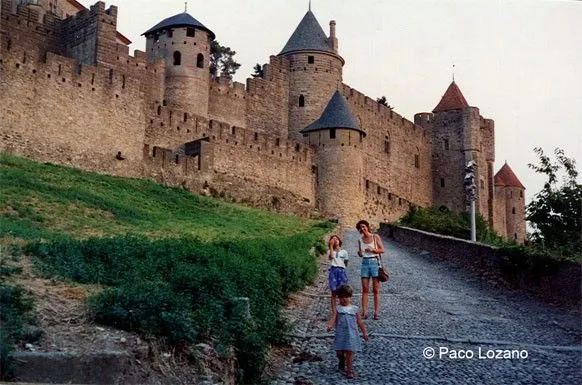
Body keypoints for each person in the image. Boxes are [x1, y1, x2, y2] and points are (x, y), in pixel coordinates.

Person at [326, 284, 369, 379]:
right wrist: (330, 325)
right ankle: (341, 360)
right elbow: (333, 318)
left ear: (350, 297)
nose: (344, 299)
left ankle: (349, 370)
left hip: (352, 334)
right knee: (339, 353)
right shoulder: (338, 308)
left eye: (346, 297)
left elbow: (360, 322)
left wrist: (364, 332)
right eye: (341, 297)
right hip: (340, 334)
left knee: (349, 352)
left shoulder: (354, 309)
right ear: (339, 298)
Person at [356, 219, 385, 320]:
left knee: (376, 289)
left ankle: (376, 313)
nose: (362, 228)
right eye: (360, 228)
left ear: (367, 227)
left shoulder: (375, 237)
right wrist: (359, 253)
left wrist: (373, 250)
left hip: (374, 263)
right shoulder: (360, 239)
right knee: (365, 289)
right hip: (365, 263)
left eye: (363, 226)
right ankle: (364, 312)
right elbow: (360, 253)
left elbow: (382, 250)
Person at [327, 235, 348, 315]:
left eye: (337, 239)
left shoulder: (344, 252)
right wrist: (331, 246)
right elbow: (332, 256)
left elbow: (346, 263)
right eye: (333, 239)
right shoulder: (330, 251)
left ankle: (343, 308)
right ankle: (334, 312)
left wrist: (343, 269)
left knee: (343, 291)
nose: (335, 240)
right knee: (334, 292)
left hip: (342, 271)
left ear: (339, 241)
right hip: (333, 271)